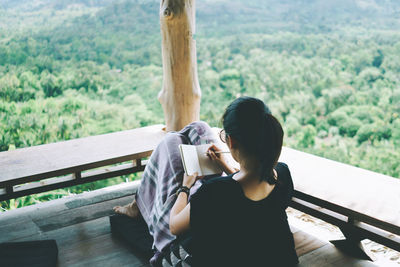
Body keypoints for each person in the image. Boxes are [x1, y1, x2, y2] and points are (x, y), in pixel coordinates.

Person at [115, 96, 298, 266]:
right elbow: (250, 198)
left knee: (171, 142)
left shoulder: (215, 192)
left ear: (231, 141)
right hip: (260, 249)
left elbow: (174, 226)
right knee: (198, 127)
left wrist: (185, 186)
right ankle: (138, 205)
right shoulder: (283, 174)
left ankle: (138, 205)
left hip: (190, 250)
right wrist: (225, 167)